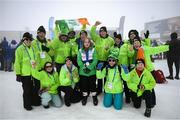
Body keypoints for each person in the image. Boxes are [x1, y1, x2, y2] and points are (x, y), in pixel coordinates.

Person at [14, 32, 39, 110]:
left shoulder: (33, 48)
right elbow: (17, 62)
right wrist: (18, 74)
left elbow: (37, 59)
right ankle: (27, 105)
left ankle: (33, 101)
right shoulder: (20, 49)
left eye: (30, 39)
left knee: (33, 88)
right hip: (25, 74)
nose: (28, 41)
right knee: (27, 90)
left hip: (34, 72)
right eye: (26, 39)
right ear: (23, 40)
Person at [90, 21, 115, 95]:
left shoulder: (111, 40)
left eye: (104, 31)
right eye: (101, 32)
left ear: (106, 32)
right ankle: (99, 90)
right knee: (99, 76)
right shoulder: (97, 38)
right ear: (99, 33)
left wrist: (108, 49)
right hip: (98, 60)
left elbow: (113, 50)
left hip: (107, 61)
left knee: (107, 76)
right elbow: (92, 33)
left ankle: (107, 89)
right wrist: (95, 25)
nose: (102, 33)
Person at [77, 38, 98, 106]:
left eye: (88, 42)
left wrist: (89, 68)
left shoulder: (93, 50)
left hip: (92, 71)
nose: (87, 43)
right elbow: (79, 61)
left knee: (93, 85)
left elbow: (95, 60)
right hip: (83, 72)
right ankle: (84, 97)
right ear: (83, 43)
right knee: (84, 85)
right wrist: (83, 68)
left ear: (90, 43)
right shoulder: (80, 51)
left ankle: (94, 97)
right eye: (85, 42)